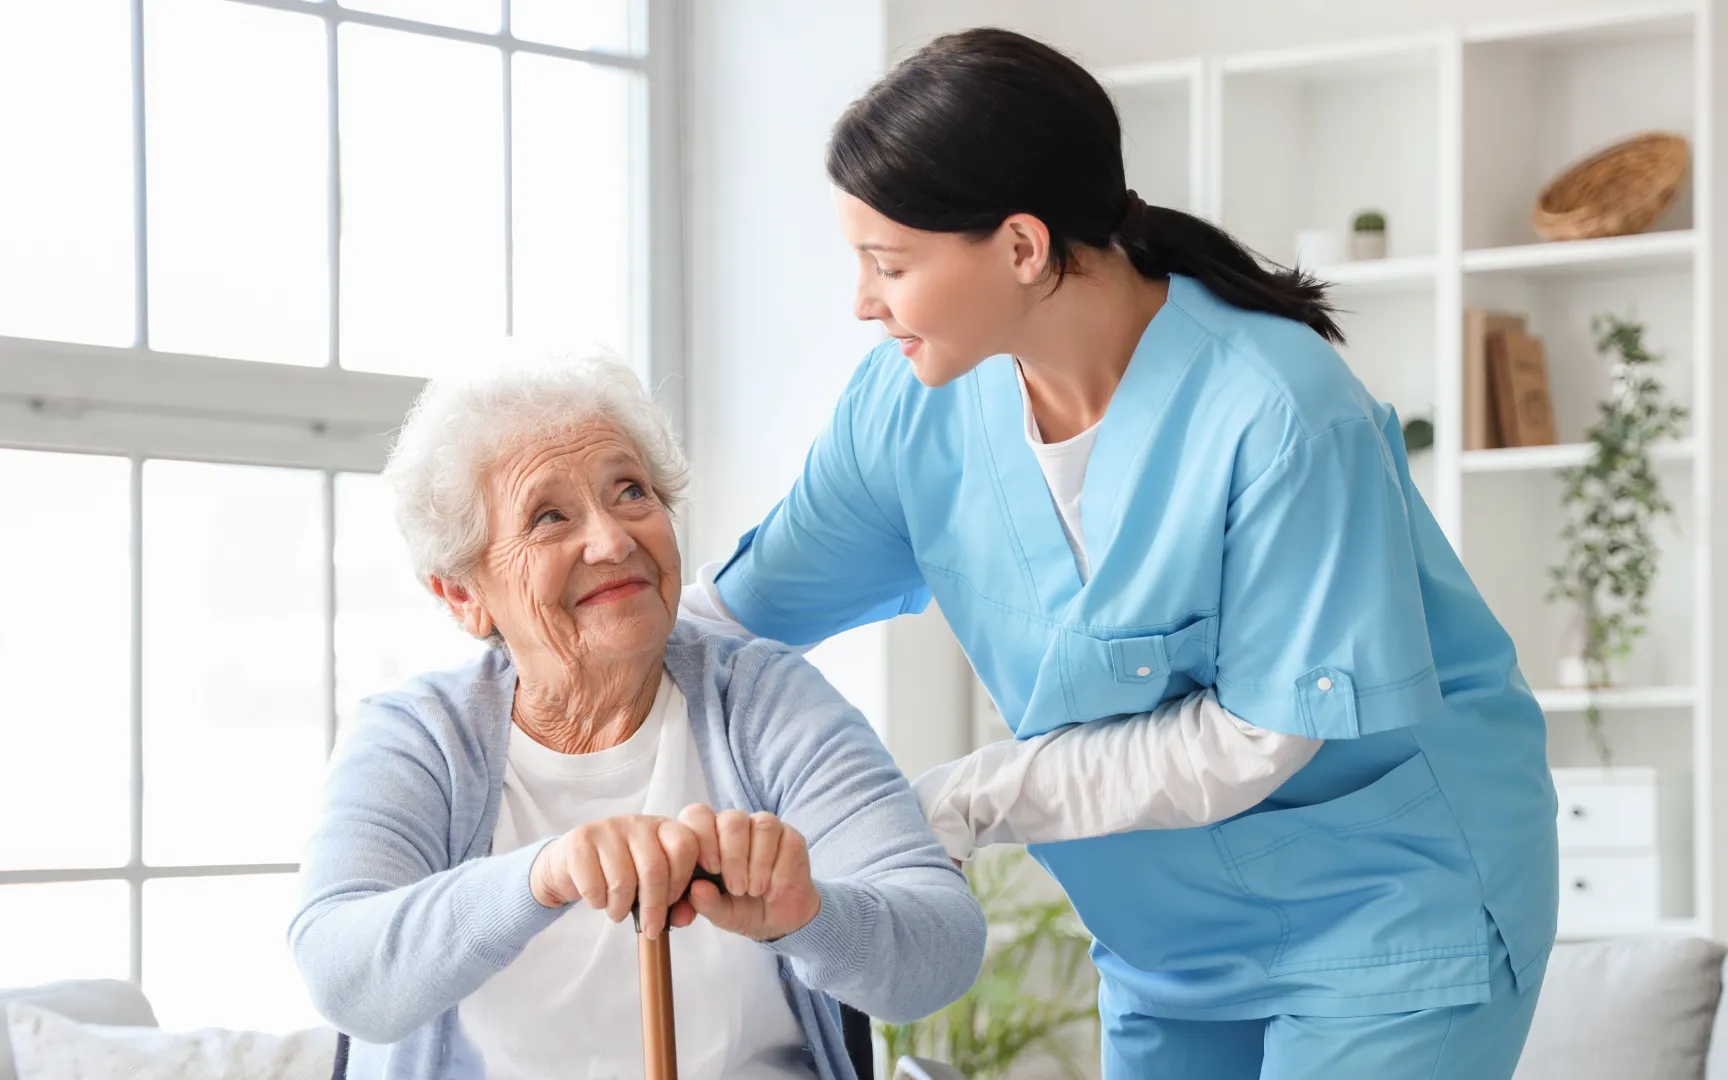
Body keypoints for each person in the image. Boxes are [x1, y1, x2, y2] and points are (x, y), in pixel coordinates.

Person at [678, 26, 1558, 1080]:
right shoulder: (907, 409)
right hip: (1163, 944)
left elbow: (1253, 741)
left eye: (889, 263)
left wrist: (951, 804)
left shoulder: (1277, 411)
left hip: (1389, 917)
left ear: (1020, 246)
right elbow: (723, 624)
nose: (862, 301)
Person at [289, 349, 985, 1080]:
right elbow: (343, 975)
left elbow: (940, 954)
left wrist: (809, 914)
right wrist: (543, 876)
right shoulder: (418, 735)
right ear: (465, 594)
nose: (615, 539)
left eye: (631, 492)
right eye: (549, 516)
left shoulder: (769, 700)